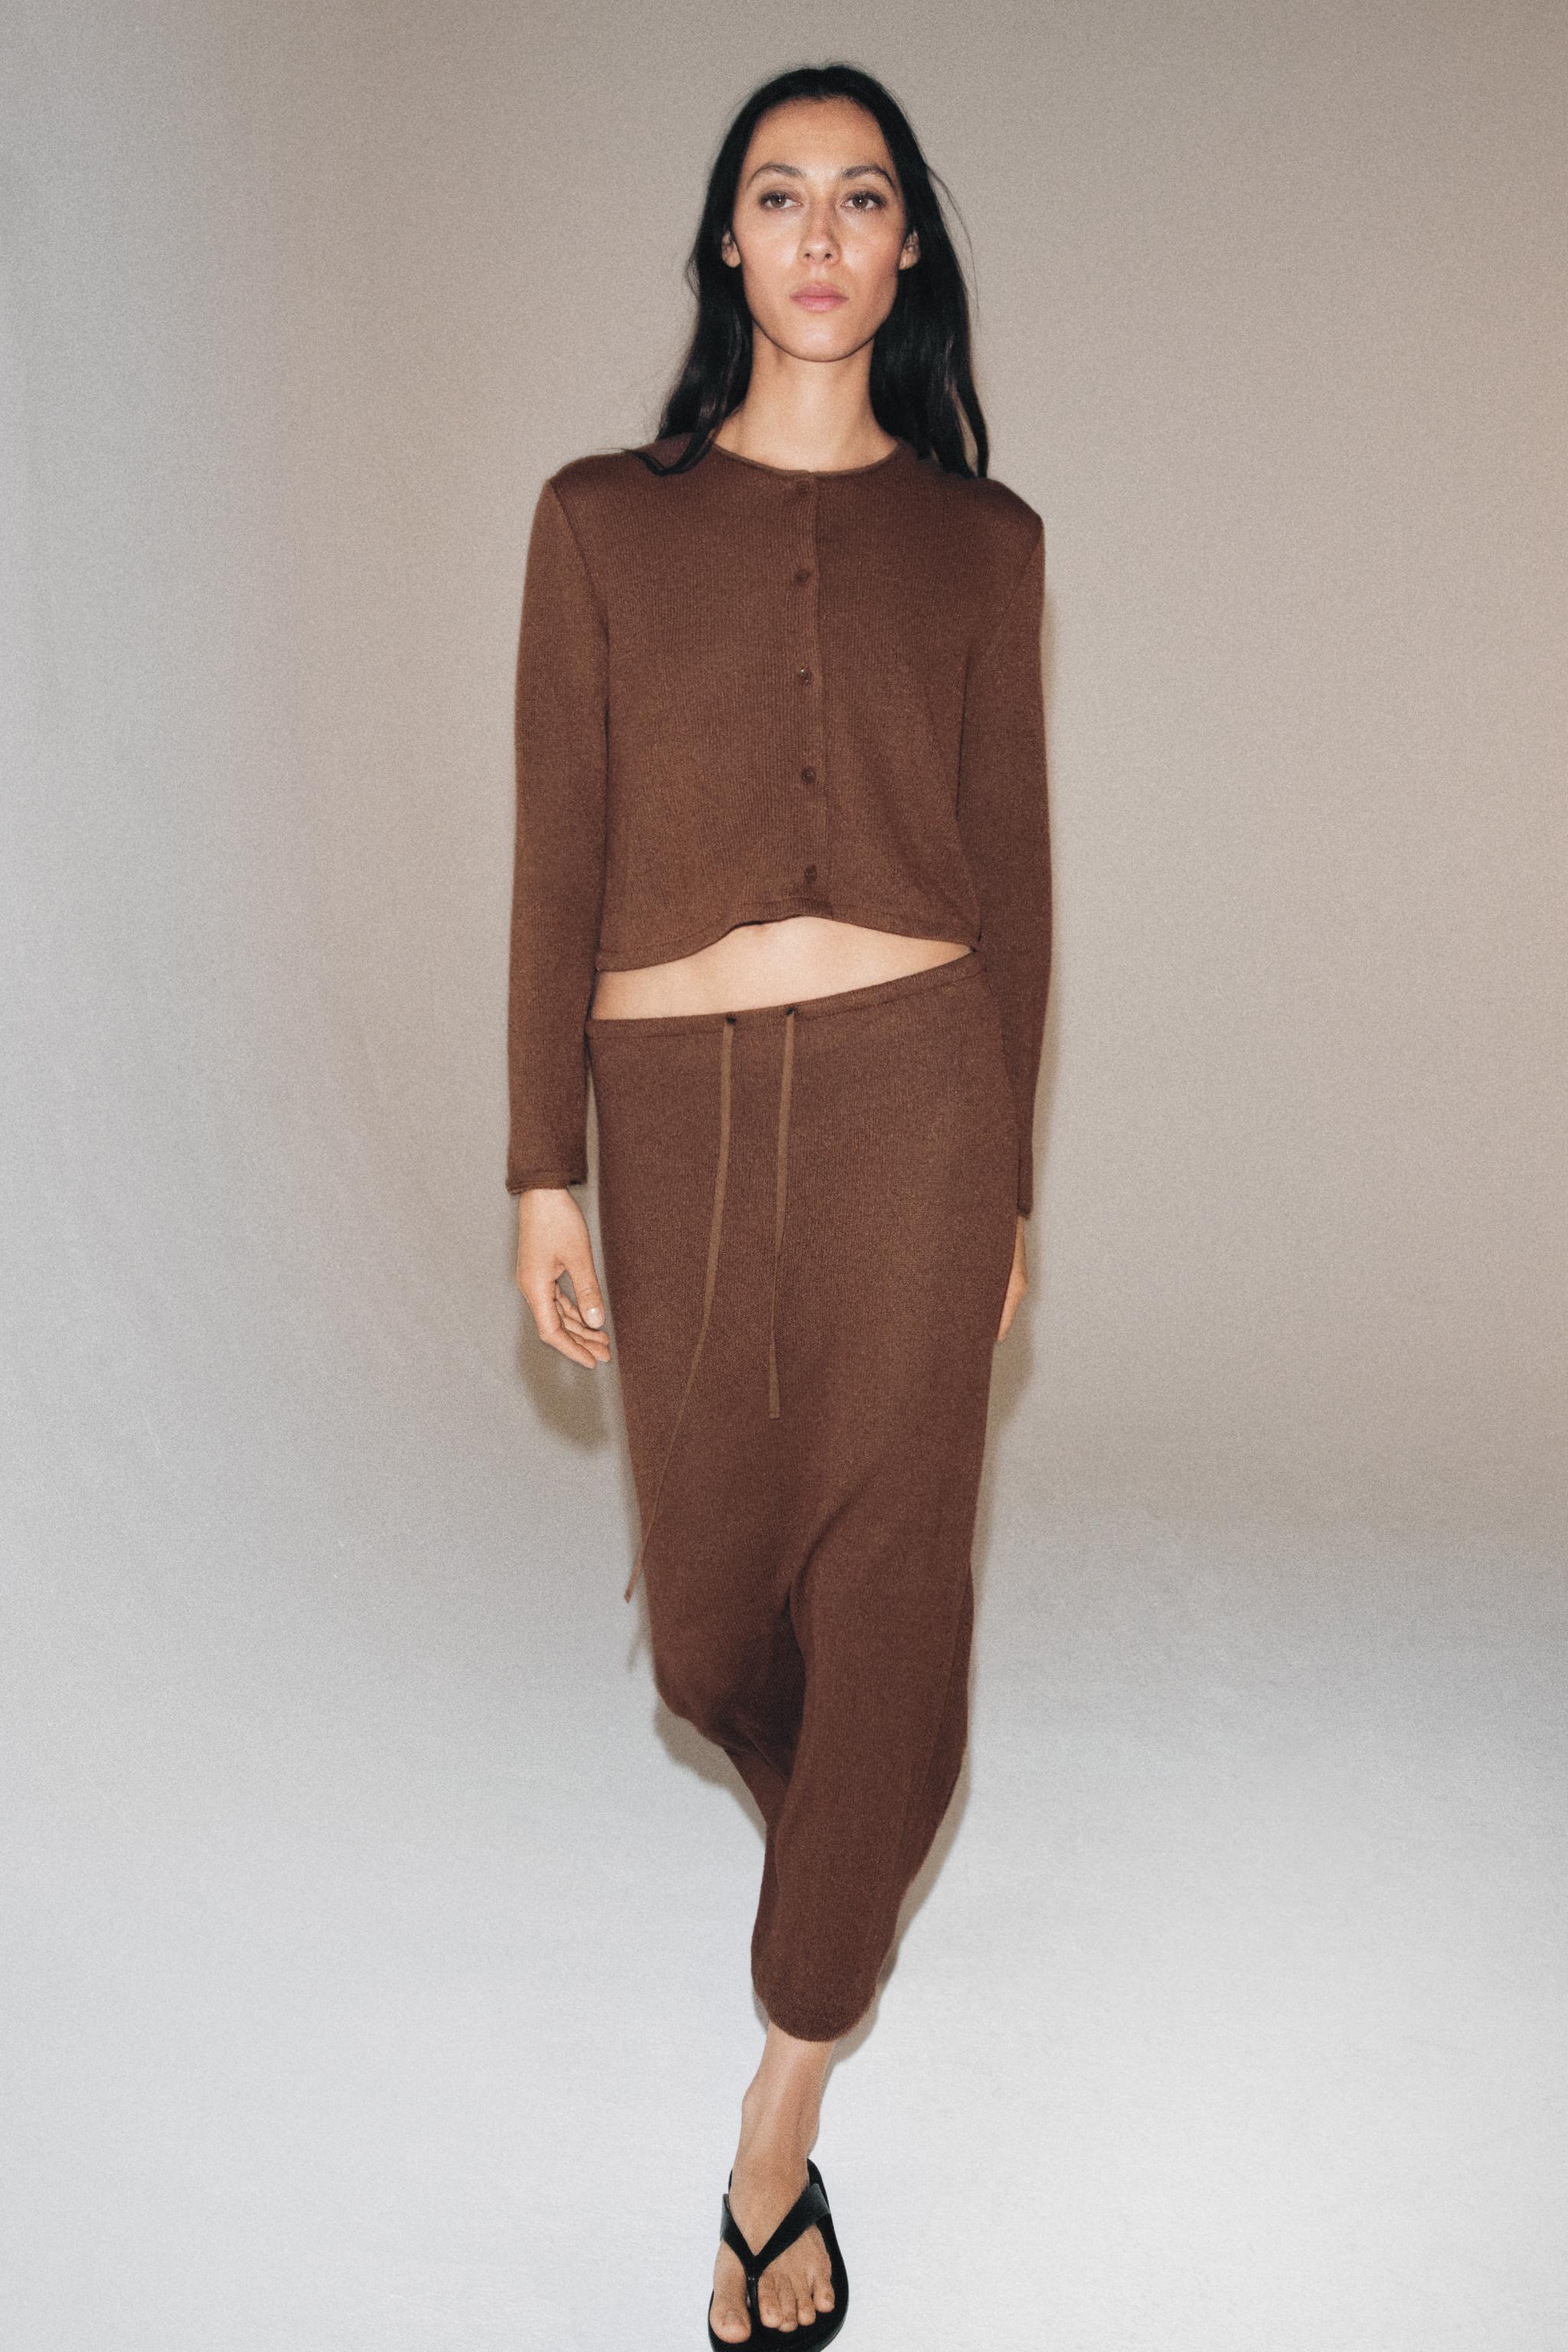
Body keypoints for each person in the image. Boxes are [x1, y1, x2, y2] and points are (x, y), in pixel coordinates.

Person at [506, 60, 1051, 2347]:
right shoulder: (597, 527)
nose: (820, 234)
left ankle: (775, 2124)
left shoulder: (985, 545)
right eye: (778, 195)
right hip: (675, 1110)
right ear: (727, 245)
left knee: (896, 1606)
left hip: (922, 1100)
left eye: (862, 197)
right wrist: (541, 1159)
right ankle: (849, 1832)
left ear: (906, 250)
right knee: (716, 1635)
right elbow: (554, 859)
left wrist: (1009, 1187)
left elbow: (1018, 880)